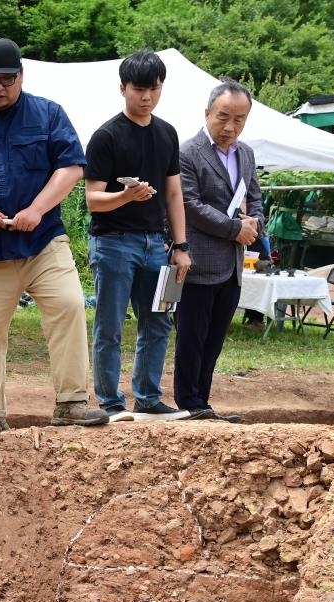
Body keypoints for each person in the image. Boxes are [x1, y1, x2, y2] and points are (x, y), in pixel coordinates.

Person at [0, 37, 109, 434]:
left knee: (69, 306)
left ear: (21, 77)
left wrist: (37, 209)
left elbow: (71, 167)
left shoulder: (48, 114)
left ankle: (72, 403)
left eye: (7, 79)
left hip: (43, 241)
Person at [83, 50, 192, 423]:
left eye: (154, 89)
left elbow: (174, 193)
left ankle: (148, 397)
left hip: (157, 245)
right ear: (123, 88)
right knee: (110, 324)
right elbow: (93, 200)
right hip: (113, 241)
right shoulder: (105, 136)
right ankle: (110, 404)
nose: (146, 97)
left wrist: (181, 246)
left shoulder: (167, 133)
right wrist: (126, 196)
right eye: (139, 89)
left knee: (159, 320)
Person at [174, 79, 264, 423]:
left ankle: (203, 402)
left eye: (239, 119)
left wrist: (255, 222)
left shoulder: (247, 154)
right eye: (223, 117)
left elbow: (254, 196)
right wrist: (234, 229)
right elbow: (190, 204)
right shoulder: (187, 152)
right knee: (192, 337)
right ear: (208, 113)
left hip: (232, 263)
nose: (230, 127)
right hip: (197, 259)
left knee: (214, 340)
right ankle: (188, 402)